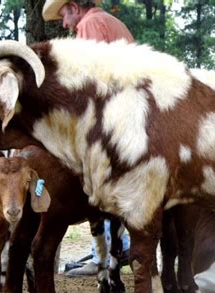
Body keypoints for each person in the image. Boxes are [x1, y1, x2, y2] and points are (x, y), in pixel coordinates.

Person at [42, 0, 133, 277]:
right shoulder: (111, 22)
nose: (65, 25)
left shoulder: (90, 23)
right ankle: (117, 248)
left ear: (73, 7)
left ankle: (102, 255)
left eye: (64, 16)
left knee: (94, 180)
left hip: (110, 115)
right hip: (125, 109)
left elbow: (89, 77)